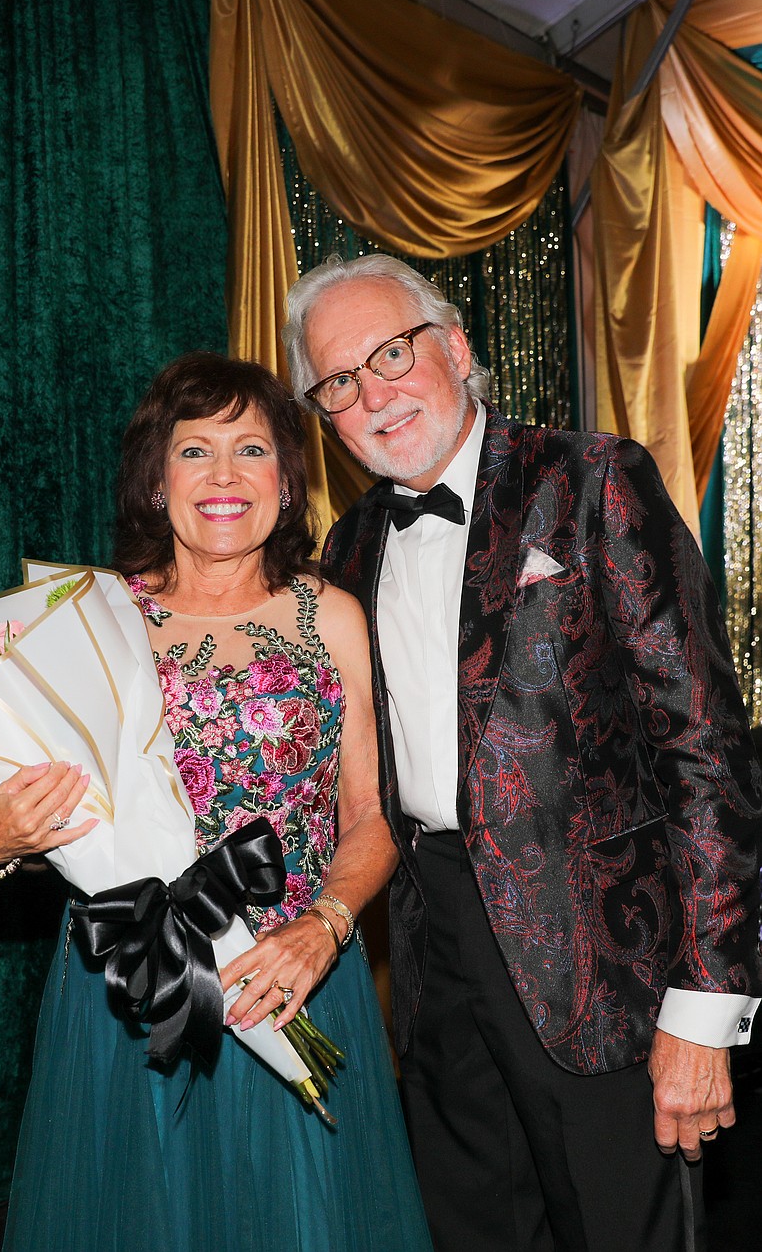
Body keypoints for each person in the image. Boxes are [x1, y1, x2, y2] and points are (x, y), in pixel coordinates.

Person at [282, 253, 762, 1252]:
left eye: (391, 353)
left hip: (600, 969)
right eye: (338, 381)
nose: (373, 393)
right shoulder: (347, 549)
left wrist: (707, 1008)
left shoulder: (592, 480)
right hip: (431, 960)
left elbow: (706, 755)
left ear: (455, 348)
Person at [0, 351, 433, 1252]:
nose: (223, 476)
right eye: (195, 451)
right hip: (124, 989)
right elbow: (9, 808)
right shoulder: (92, 619)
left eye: (251, 449)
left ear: (289, 484)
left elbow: (370, 815)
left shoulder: (329, 616)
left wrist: (325, 925)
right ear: (154, 479)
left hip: (288, 981)